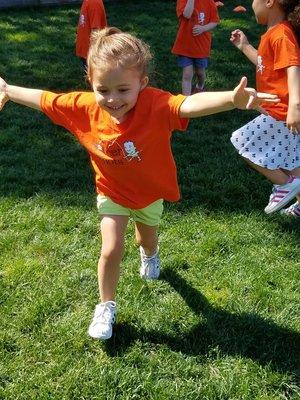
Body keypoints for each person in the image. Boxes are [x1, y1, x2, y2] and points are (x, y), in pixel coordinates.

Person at [0, 27, 279, 340]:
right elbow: (45, 99)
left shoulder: (155, 105)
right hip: (112, 191)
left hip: (148, 193)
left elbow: (187, 106)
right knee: (111, 247)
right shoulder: (83, 106)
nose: (112, 99)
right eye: (102, 89)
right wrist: (8, 89)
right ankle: (105, 305)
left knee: (145, 239)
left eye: (123, 90)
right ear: (90, 82)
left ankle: (151, 253)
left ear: (142, 84)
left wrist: (231, 99)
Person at [230, 0, 300, 216]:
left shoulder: (281, 34)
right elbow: (264, 64)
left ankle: (284, 185)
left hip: (283, 111)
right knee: (290, 162)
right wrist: (245, 46)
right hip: (280, 111)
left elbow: (294, 67)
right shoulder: (274, 33)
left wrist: (295, 106)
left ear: (269, 2)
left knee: (243, 143)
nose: (252, 4)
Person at [172, 0, 220, 95]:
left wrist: (203, 28)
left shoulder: (209, 2)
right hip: (185, 46)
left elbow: (215, 21)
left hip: (201, 47)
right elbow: (187, 15)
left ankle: (200, 86)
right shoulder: (182, 1)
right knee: (187, 75)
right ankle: (186, 102)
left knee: (200, 73)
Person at [76, 0, 107, 67]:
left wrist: (93, 54)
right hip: (85, 51)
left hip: (91, 53)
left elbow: (96, 31)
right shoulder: (87, 1)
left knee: (93, 76)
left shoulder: (94, 2)